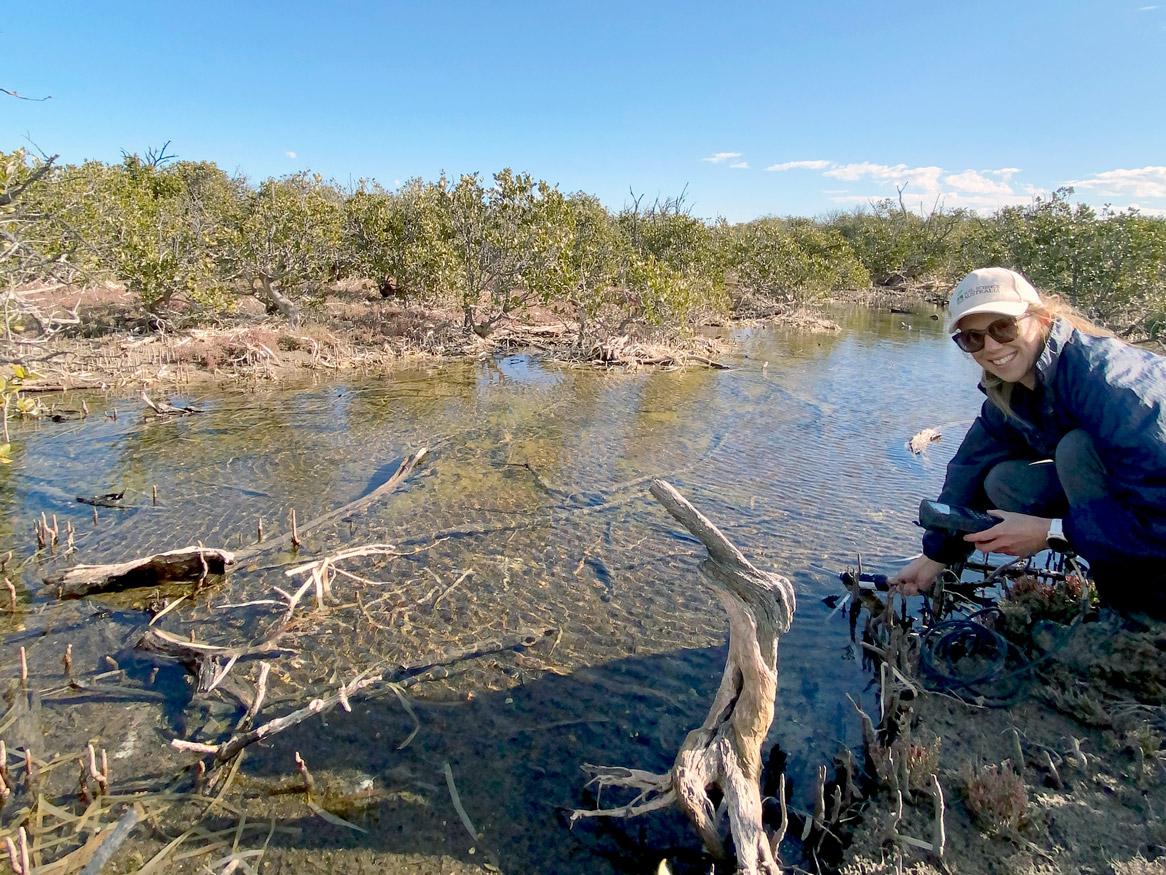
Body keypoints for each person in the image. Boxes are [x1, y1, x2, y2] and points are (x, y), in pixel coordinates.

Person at [891, 266, 1166, 616]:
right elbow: (970, 464)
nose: (991, 347)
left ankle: (1141, 618)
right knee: (1004, 481)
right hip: (1135, 501)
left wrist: (1053, 532)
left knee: (1075, 450)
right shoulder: (1016, 386)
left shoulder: (1114, 387)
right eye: (972, 338)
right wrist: (936, 556)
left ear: (1041, 319)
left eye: (1003, 327)